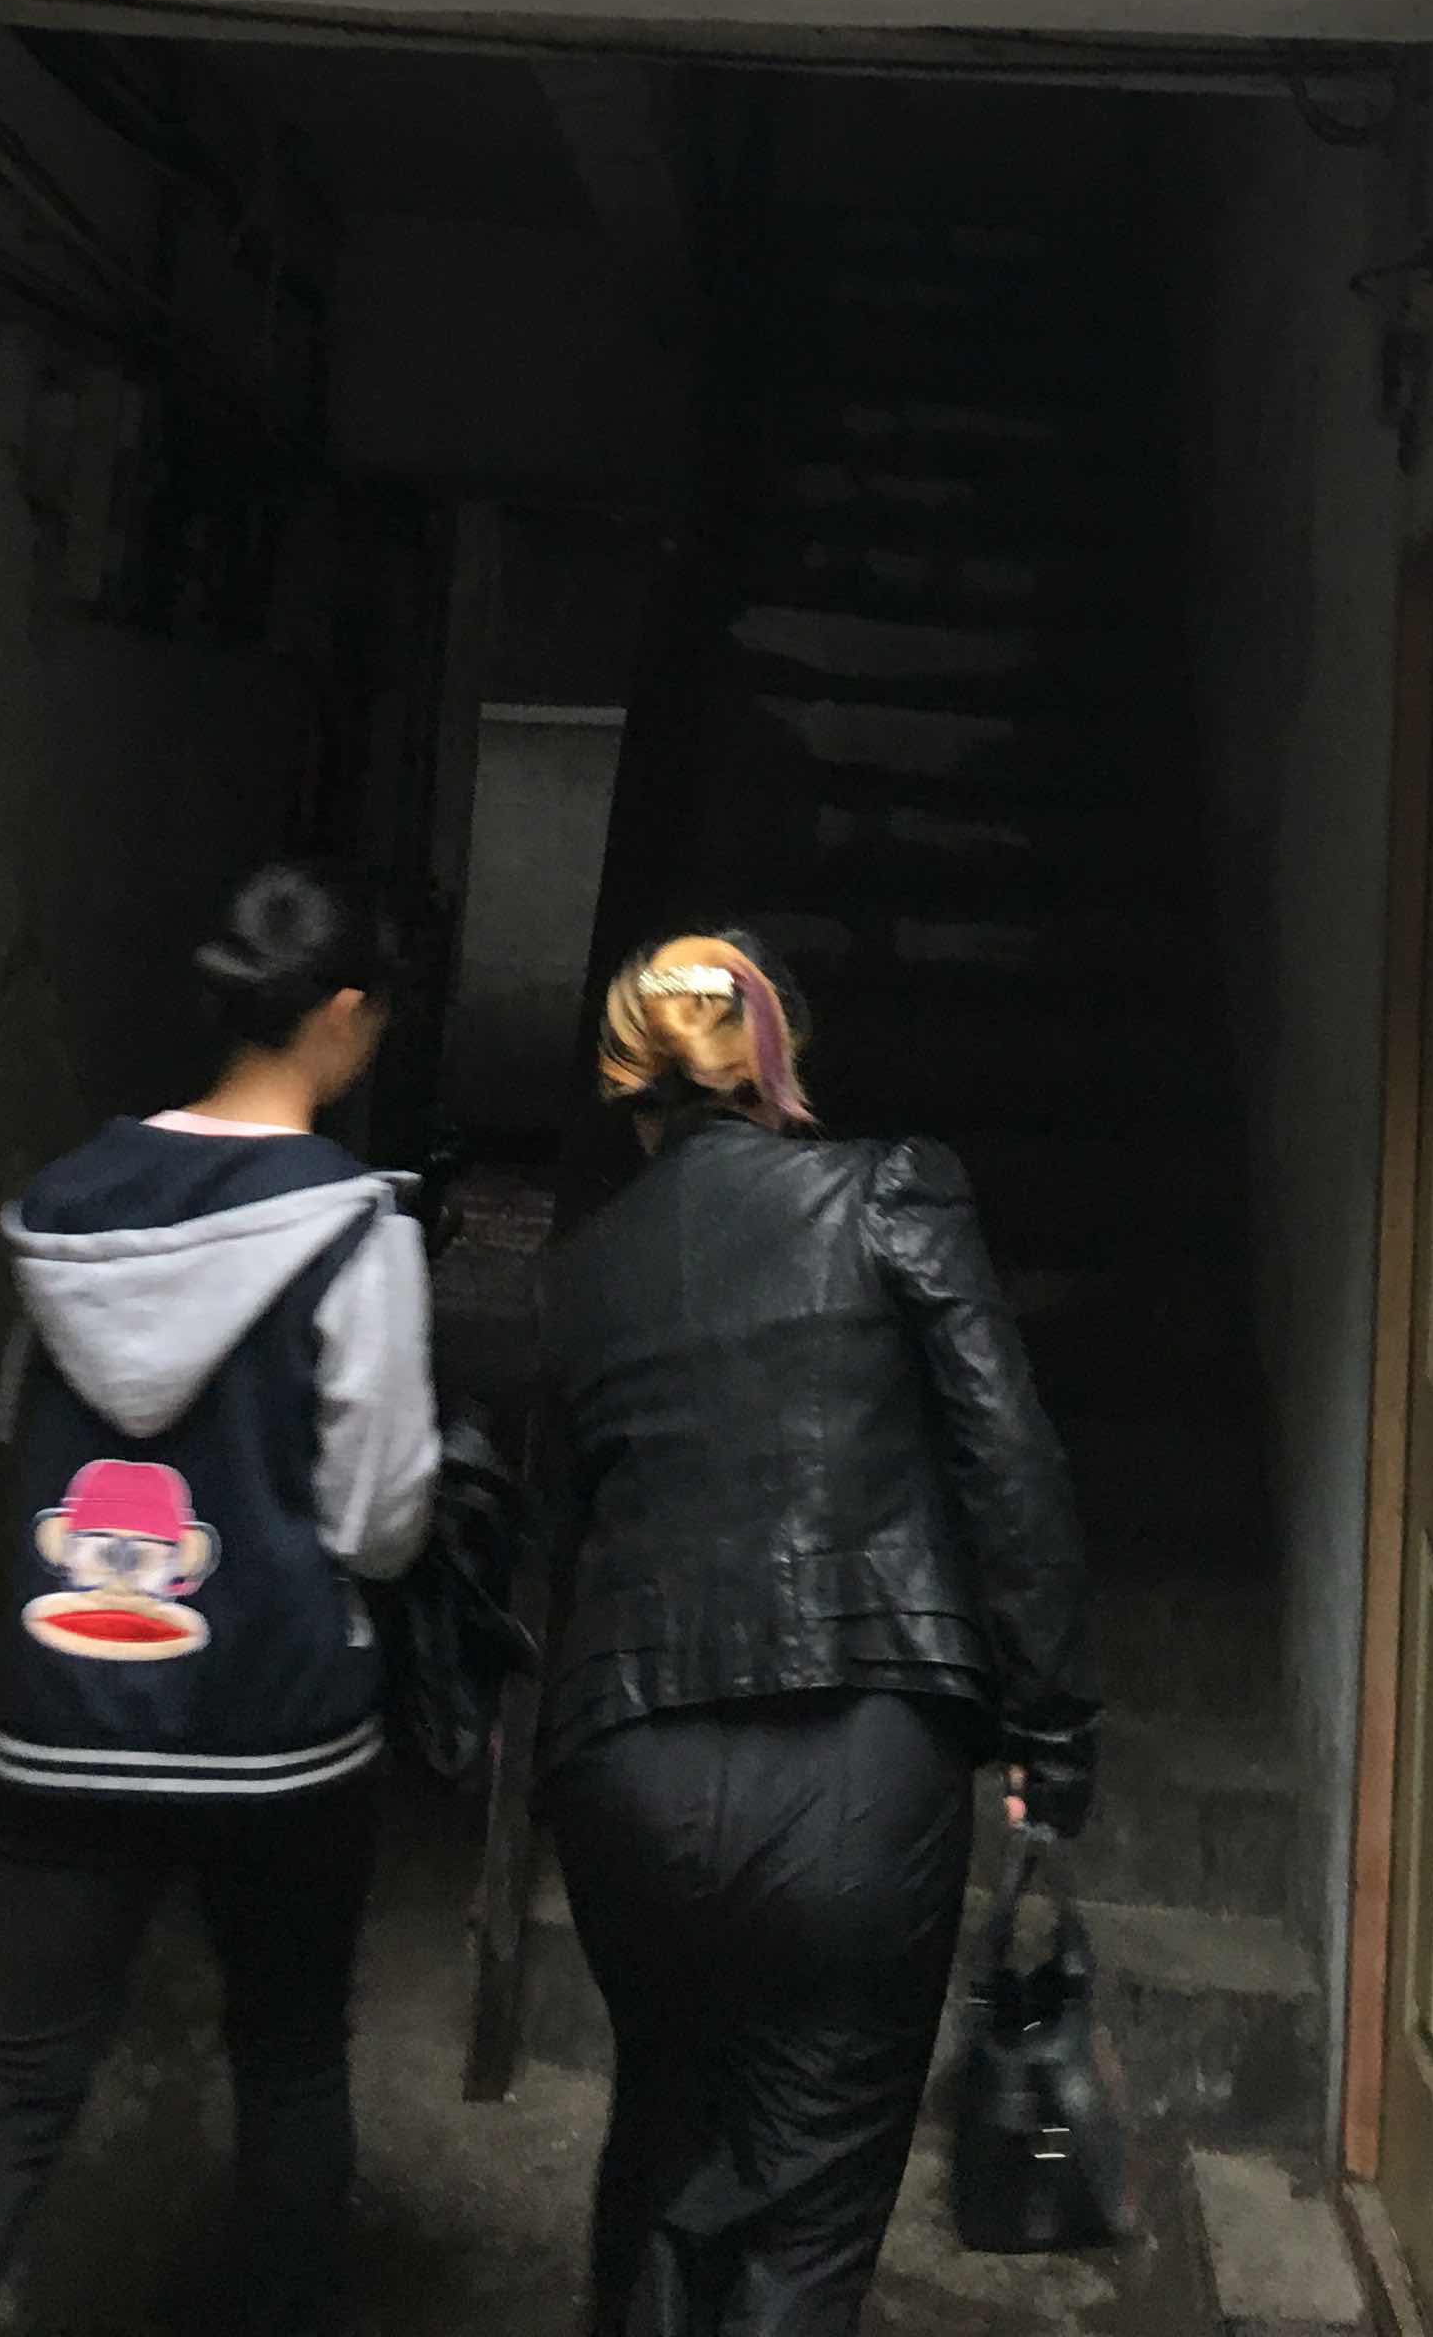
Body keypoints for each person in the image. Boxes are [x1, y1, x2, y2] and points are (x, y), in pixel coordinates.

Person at [0, 863, 439, 2337]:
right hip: (276, 1729)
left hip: (65, 1711)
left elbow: (15, 1440)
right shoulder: (354, 1229)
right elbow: (380, 1518)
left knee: (19, 2084)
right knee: (290, 2068)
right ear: (344, 1013)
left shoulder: (65, 1210)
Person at [536, 931, 1100, 2337]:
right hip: (860, 1765)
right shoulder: (891, 1192)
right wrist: (1049, 1735)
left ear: (631, 1082)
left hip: (629, 1768)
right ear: (775, 1058)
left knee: (664, 2145)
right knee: (808, 2218)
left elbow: (562, 1530)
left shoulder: (583, 1269)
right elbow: (1010, 1466)